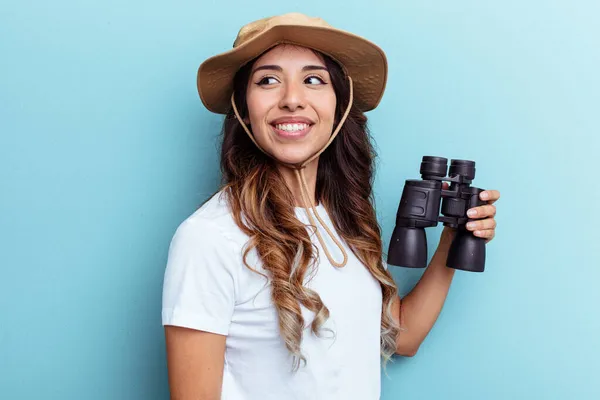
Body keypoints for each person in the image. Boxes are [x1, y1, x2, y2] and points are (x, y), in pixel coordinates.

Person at [161, 12, 500, 400]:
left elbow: (401, 338)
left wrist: (454, 238)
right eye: (268, 80)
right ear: (243, 109)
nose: (291, 99)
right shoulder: (209, 238)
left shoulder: (343, 221)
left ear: (339, 105)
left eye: (313, 80)